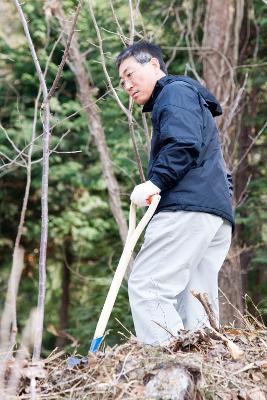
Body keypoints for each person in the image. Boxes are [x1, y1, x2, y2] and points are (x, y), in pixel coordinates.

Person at [116, 42, 234, 346]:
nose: (127, 85)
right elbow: (216, 165)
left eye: (130, 74)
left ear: (154, 65)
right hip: (211, 215)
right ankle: (204, 376)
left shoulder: (175, 92)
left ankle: (166, 367)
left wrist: (156, 182)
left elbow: (182, 143)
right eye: (122, 82)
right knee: (195, 300)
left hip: (186, 211)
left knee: (148, 286)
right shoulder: (189, 98)